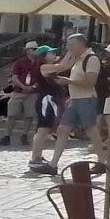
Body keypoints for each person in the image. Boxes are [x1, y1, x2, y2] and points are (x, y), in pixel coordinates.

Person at [35, 33, 100, 172]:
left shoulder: (91, 58)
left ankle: (101, 162)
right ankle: (53, 165)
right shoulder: (78, 59)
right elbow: (64, 66)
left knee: (91, 131)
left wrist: (67, 81)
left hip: (86, 99)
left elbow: (90, 82)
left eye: (71, 45)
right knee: (62, 130)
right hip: (75, 100)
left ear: (80, 44)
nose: (68, 48)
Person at [26, 45, 65, 174]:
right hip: (46, 101)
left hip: (50, 100)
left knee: (44, 129)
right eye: (51, 53)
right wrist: (71, 54)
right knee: (43, 130)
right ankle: (35, 158)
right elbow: (62, 67)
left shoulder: (48, 67)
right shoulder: (44, 67)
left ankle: (37, 155)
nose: (54, 54)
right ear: (44, 56)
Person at [0, 39, 40, 147]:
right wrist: (23, 86)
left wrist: (33, 86)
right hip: (19, 91)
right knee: (12, 114)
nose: (35, 51)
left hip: (33, 92)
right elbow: (14, 77)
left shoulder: (39, 62)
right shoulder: (20, 62)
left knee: (29, 115)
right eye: (33, 49)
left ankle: (24, 135)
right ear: (27, 50)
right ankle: (7, 135)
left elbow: (41, 77)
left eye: (36, 49)